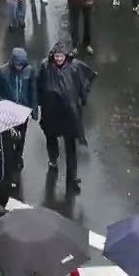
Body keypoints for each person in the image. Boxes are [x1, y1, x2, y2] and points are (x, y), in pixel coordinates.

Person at [36, 43, 95, 193]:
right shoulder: (45, 67)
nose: (59, 59)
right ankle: (53, 159)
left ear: (66, 56)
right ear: (53, 56)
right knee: (51, 137)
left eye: (61, 56)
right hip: (51, 112)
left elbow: (85, 81)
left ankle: (72, 177)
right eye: (57, 56)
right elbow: (39, 85)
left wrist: (81, 98)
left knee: (70, 146)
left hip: (69, 113)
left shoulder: (74, 67)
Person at [0, 47, 38, 155]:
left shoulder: (29, 71)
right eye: (17, 65)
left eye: (21, 65)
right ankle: (10, 157)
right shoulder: (2, 71)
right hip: (7, 111)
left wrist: (34, 111)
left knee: (21, 135)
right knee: (8, 135)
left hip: (23, 110)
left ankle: (18, 155)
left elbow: (33, 91)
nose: (19, 67)